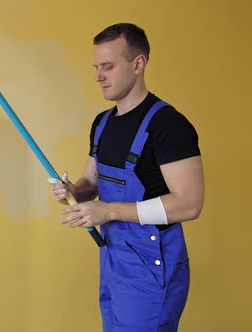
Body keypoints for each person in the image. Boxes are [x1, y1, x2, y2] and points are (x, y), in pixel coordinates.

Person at [48, 23, 204, 331]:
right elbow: (90, 184)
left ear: (138, 64)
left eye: (107, 66)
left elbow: (189, 204)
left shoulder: (168, 126)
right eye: (96, 67)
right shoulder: (103, 123)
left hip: (152, 265)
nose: (98, 76)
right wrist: (72, 191)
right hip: (113, 259)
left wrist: (107, 211)